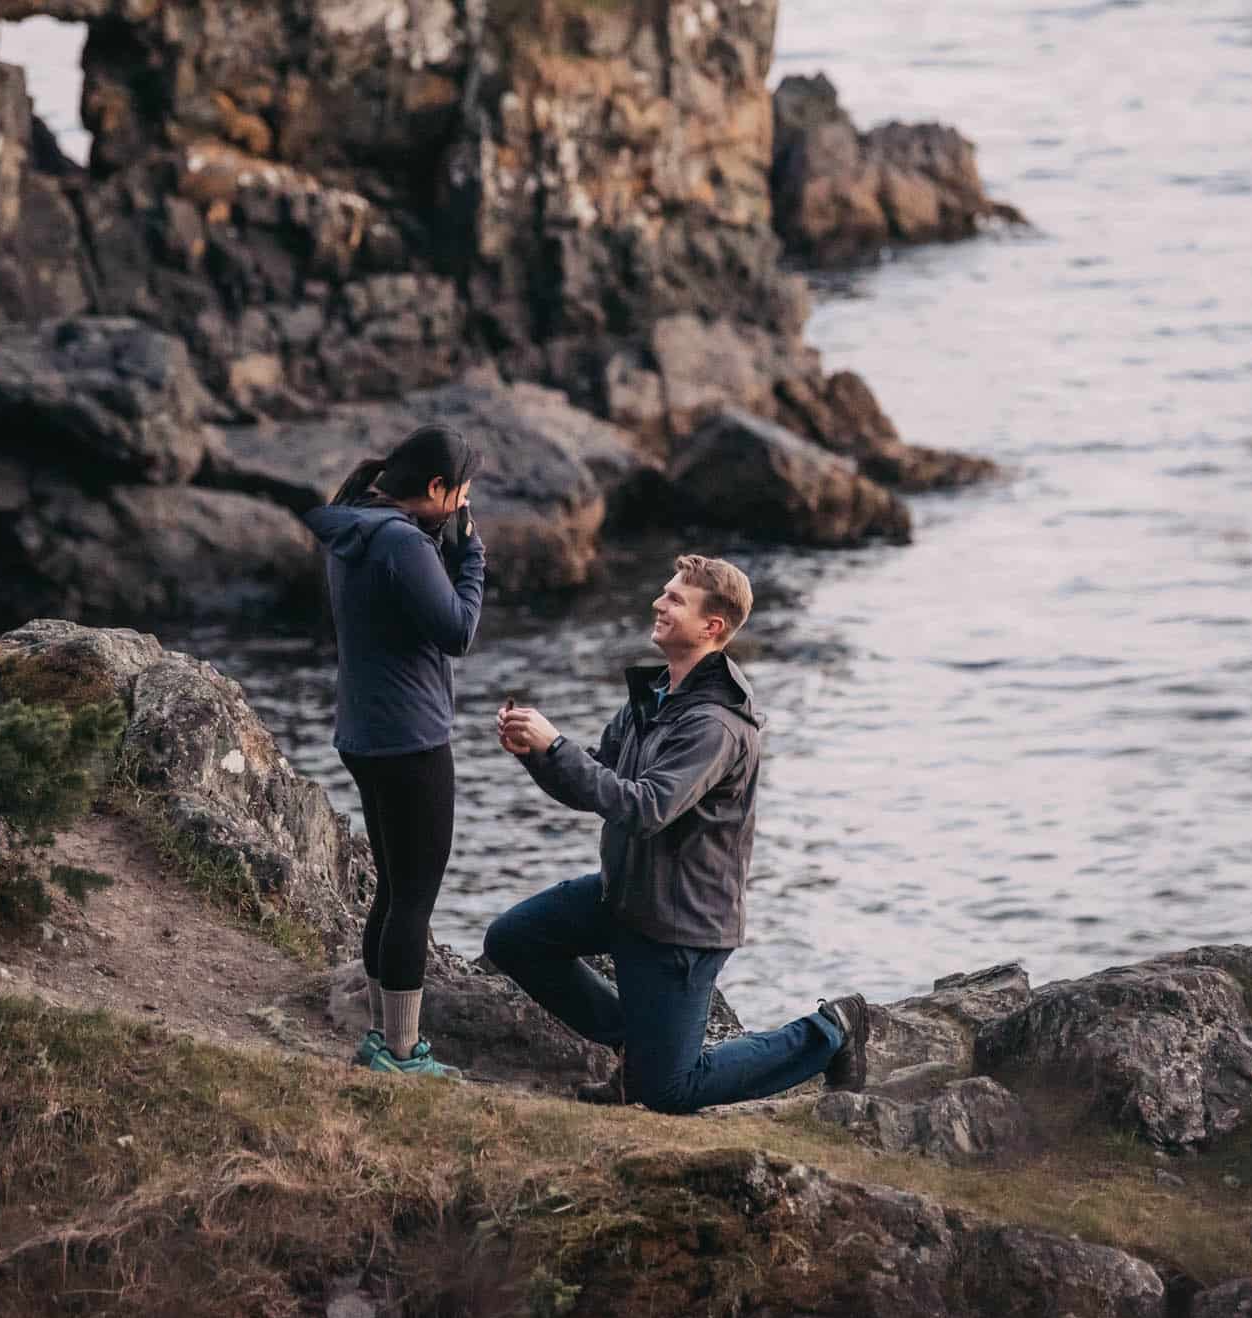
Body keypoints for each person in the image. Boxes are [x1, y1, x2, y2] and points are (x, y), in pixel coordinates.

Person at [486, 554, 871, 1113]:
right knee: (513, 940)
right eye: (664, 593)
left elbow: (644, 808)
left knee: (669, 1092)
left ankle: (830, 1030)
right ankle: (635, 1048)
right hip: (623, 895)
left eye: (674, 600)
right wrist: (538, 755)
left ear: (711, 627)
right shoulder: (658, 695)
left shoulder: (714, 725)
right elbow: (599, 784)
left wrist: (557, 747)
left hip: (680, 926)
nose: (657, 604)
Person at [304, 424, 484, 1080]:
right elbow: (456, 631)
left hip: (364, 731)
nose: (466, 504)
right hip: (412, 739)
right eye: (460, 493)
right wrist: (470, 558)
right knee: (413, 897)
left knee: (391, 886)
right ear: (434, 488)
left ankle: (383, 1037)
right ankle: (402, 1054)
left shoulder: (354, 524)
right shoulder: (404, 544)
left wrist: (441, 540)